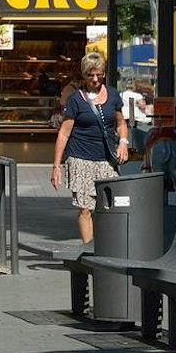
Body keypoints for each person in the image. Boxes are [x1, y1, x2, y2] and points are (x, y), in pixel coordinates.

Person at [49, 53, 129, 243]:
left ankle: (106, 247)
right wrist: (56, 166)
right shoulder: (76, 99)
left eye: (99, 75)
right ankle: (89, 251)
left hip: (106, 160)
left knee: (109, 206)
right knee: (85, 208)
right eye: (90, 75)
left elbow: (121, 123)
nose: (95, 80)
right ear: (84, 75)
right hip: (80, 159)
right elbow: (64, 133)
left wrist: (123, 142)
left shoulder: (113, 95)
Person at [119, 75, 156, 163]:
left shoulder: (122, 94)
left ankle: (129, 148)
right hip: (135, 117)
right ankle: (135, 148)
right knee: (134, 132)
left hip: (124, 116)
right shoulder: (137, 95)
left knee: (127, 132)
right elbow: (142, 106)